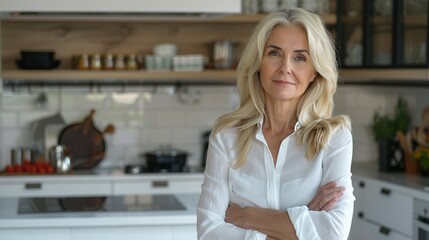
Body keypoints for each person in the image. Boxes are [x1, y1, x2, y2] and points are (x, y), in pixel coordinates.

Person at [197, 7, 354, 240]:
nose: (285, 68)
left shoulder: (334, 138)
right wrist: (306, 216)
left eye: (300, 57)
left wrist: (250, 217)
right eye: (274, 53)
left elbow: (334, 233)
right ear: (258, 62)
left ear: (314, 72)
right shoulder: (226, 136)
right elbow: (208, 232)